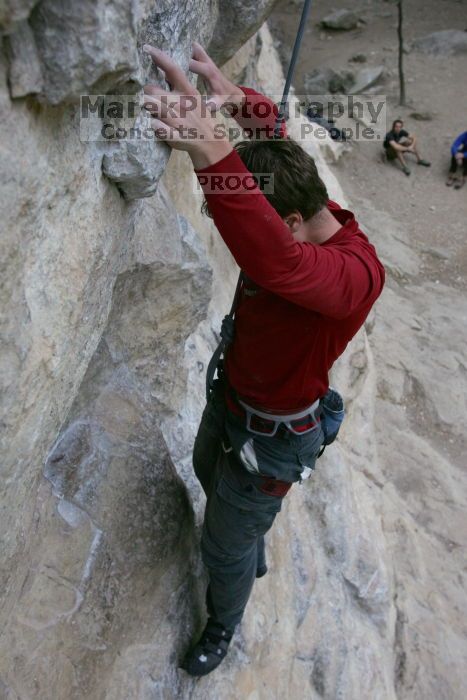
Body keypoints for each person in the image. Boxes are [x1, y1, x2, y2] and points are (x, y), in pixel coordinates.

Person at [142, 42, 385, 677]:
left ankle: (224, 619)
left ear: (297, 222)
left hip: (273, 441)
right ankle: (243, 542)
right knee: (205, 470)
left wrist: (211, 151)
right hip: (233, 397)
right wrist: (229, 97)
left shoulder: (355, 275)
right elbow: (275, 137)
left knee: (222, 545)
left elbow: (278, 261)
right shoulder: (308, 205)